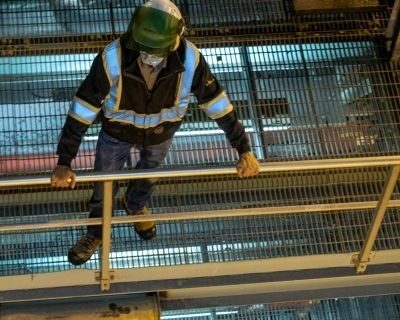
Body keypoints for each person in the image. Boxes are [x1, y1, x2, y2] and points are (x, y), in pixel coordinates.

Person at [50, 0, 260, 265]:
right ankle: (96, 231)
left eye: (156, 48)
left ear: (177, 37)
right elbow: (83, 109)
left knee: (149, 176)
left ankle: (135, 206)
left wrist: (244, 149)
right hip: (117, 132)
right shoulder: (113, 57)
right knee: (104, 183)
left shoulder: (190, 59)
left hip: (161, 132)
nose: (149, 54)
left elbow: (216, 103)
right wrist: (64, 162)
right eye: (143, 47)